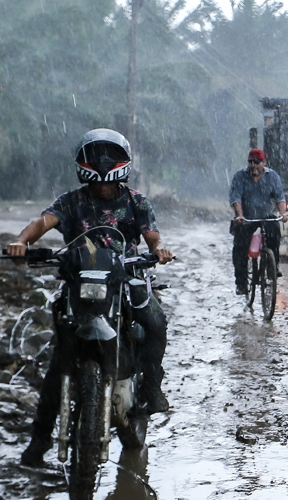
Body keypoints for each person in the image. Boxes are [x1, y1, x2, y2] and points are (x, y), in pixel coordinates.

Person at [9, 128, 174, 466]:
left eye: (107, 177)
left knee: (155, 322)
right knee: (59, 365)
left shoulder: (136, 201)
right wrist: (21, 241)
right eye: (96, 176)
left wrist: (158, 249)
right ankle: (39, 443)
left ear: (121, 171)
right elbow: (42, 223)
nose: (102, 183)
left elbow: (152, 236)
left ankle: (152, 387)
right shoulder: (72, 201)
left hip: (126, 278)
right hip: (79, 285)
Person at [229, 148, 288, 295]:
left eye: (257, 162)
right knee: (240, 247)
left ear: (264, 163)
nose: (253, 166)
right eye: (250, 162)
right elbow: (236, 198)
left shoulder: (272, 176)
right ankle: (241, 283)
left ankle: (272, 267)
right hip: (247, 217)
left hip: (265, 215)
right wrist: (240, 215)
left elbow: (280, 197)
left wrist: (283, 213)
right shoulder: (240, 176)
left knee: (274, 233)